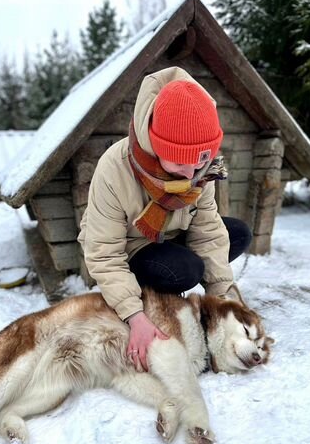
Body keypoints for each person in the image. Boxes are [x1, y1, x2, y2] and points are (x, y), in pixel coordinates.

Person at [78, 67, 251, 372]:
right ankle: (152, 290)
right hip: (131, 249)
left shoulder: (199, 169)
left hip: (169, 237)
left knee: (236, 233)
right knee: (185, 269)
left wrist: (219, 303)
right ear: (156, 145)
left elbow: (208, 230)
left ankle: (177, 272)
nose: (190, 174)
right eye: (180, 162)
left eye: (200, 162)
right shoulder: (114, 169)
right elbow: (103, 253)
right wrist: (135, 316)